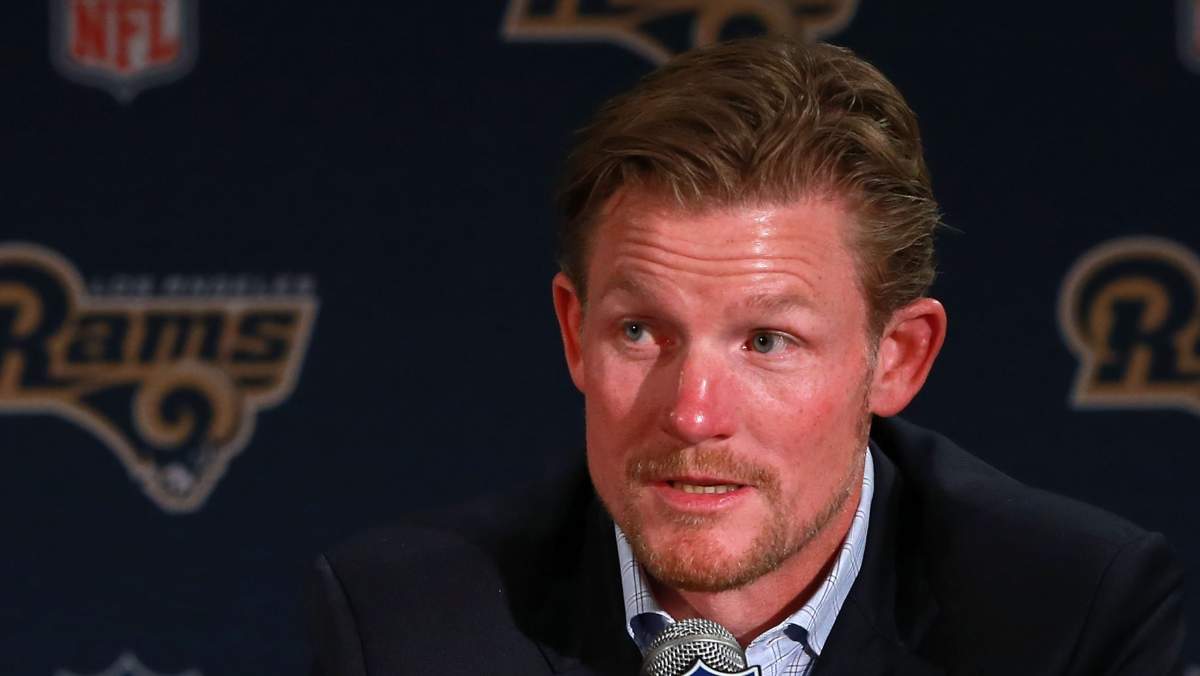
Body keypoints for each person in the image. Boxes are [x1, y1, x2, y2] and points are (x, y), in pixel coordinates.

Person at [306, 37, 1186, 675]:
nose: (693, 414)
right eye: (640, 332)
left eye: (767, 341)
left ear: (897, 358)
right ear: (574, 332)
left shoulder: (1067, 617)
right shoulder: (406, 625)